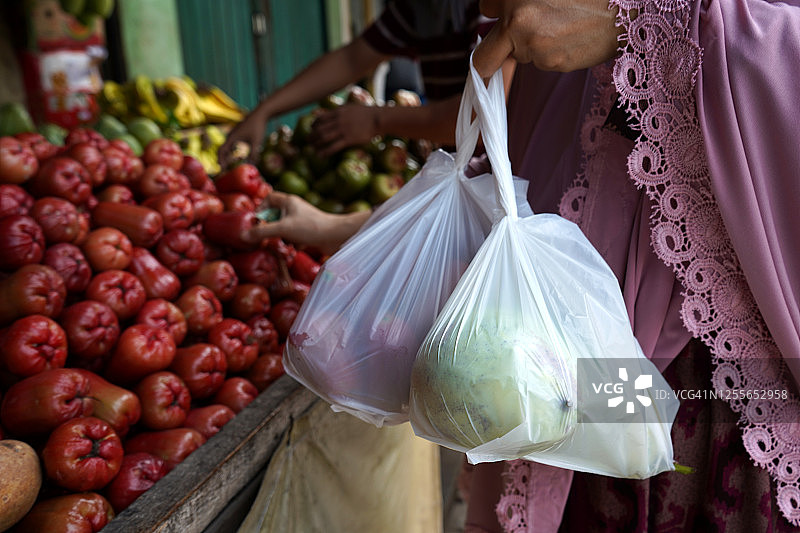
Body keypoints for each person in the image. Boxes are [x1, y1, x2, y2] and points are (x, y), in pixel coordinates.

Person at [245, 0, 800, 531]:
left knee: (647, 453)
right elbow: (499, 205)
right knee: (607, 457)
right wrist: (334, 229)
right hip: (576, 377)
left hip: (727, 379)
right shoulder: (542, 42)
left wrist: (643, 21)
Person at [218, 0, 495, 168]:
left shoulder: (492, 9)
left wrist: (376, 120)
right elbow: (351, 60)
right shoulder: (419, 9)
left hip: (503, 188)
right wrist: (264, 111)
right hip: (461, 177)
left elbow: (479, 118)